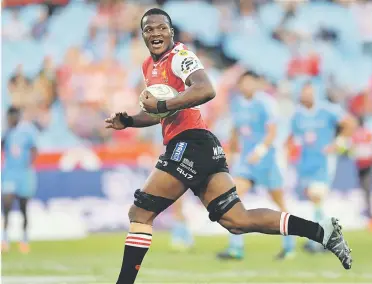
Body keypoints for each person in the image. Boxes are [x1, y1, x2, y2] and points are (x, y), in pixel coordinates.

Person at [104, 8, 352, 284]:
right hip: (201, 146)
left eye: (161, 27)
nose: (155, 33)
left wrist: (162, 104)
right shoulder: (148, 67)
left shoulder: (180, 57)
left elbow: (205, 89)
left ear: (171, 32)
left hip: (191, 142)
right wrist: (129, 121)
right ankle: (322, 232)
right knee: (237, 220)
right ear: (143, 35)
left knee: (140, 212)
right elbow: (158, 113)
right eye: (149, 29)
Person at [216, 71, 295, 260]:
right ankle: (236, 248)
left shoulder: (265, 103)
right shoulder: (237, 103)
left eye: (251, 82)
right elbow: (235, 130)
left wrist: (260, 151)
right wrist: (232, 153)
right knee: (232, 199)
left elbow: (272, 131)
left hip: (267, 160)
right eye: (244, 83)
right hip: (246, 161)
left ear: (257, 84)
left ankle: (289, 244)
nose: (247, 86)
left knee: (279, 203)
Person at [289, 82, 356, 253]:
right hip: (305, 163)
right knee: (315, 201)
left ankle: (322, 240)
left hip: (323, 162)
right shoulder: (297, 116)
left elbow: (350, 123)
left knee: (317, 196)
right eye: (305, 92)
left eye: (310, 92)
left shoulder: (327, 110)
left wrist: (338, 143)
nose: (307, 96)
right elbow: (294, 138)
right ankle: (326, 239)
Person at [1, 107, 38, 253]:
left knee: (23, 208)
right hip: (10, 173)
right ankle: (4, 238)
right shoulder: (6, 132)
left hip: (24, 174)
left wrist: (28, 164)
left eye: (13, 116)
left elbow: (34, 149)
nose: (11, 119)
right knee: (7, 205)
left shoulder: (27, 131)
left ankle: (24, 238)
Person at [350, 116, 372, 231]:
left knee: (366, 190)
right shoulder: (368, 132)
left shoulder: (360, 134)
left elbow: (353, 149)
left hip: (366, 164)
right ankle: (368, 216)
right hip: (365, 164)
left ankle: (371, 217)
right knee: (365, 190)